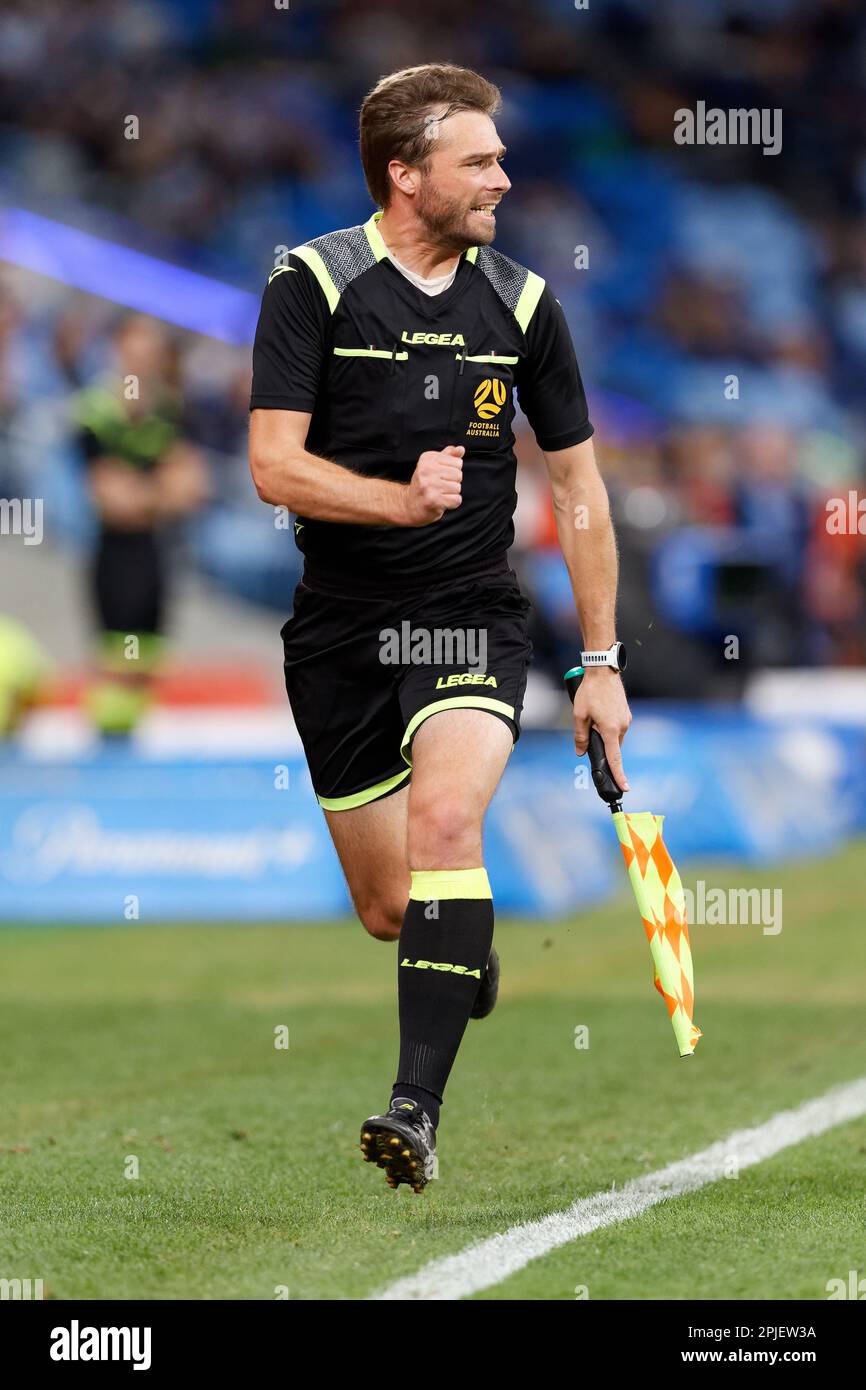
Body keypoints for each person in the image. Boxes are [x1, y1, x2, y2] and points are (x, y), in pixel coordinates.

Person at [248, 64, 631, 1192]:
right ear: (405, 174)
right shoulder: (311, 284)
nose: (503, 178)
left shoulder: (520, 304)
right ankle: (454, 945)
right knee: (388, 909)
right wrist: (393, 500)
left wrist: (601, 664)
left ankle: (413, 1109)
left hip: (467, 615)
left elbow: (578, 492)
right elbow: (273, 466)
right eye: (479, 160)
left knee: (448, 821)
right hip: (338, 632)